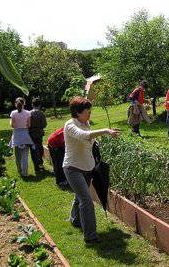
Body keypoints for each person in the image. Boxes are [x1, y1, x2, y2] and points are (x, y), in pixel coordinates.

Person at [63, 96, 119, 244]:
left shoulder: (85, 123)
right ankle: (90, 236)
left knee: (79, 196)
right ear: (77, 112)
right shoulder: (70, 125)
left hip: (87, 167)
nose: (90, 114)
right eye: (87, 112)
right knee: (86, 201)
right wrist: (106, 130)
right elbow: (83, 136)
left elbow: (89, 140)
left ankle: (75, 220)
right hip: (72, 168)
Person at [9, 97, 34, 177]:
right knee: (25, 156)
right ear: (24, 104)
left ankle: (20, 171)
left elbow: (12, 125)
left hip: (16, 136)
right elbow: (29, 125)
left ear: (15, 104)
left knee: (17, 156)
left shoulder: (13, 113)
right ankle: (25, 172)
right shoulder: (28, 112)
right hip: (25, 136)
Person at [29, 98, 47, 173]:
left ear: (32, 105)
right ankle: (40, 163)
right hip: (39, 133)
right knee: (40, 147)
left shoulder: (29, 113)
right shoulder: (41, 113)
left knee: (33, 149)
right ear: (39, 105)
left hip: (31, 133)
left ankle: (36, 166)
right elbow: (44, 124)